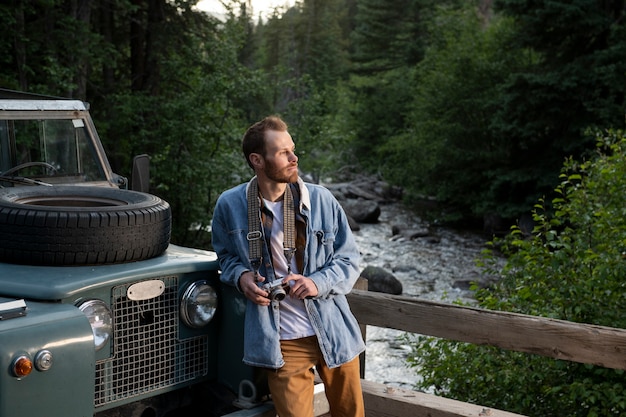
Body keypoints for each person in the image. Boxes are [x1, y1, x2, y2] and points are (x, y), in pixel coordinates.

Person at [211, 115, 365, 417]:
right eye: (283, 152)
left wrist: (317, 283)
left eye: (292, 149)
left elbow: (350, 260)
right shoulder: (230, 205)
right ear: (257, 159)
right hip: (281, 339)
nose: (294, 158)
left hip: (333, 329)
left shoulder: (321, 200)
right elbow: (225, 257)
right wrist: (241, 277)